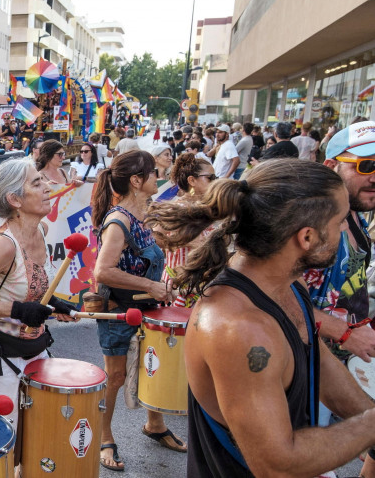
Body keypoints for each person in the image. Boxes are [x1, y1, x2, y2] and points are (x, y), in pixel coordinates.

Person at [146, 159, 375, 477]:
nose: (343, 231)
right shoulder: (237, 328)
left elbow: (318, 364)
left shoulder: (291, 284)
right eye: (339, 223)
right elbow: (276, 465)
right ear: (306, 238)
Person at [0, 158, 76, 424]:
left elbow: (27, 287)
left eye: (43, 179)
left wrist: (53, 302)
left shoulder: (41, 229)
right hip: (1, 363)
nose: (47, 186)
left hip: (36, 351)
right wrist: (18, 310)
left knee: (36, 444)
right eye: (36, 182)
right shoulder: (5, 246)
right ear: (15, 200)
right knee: (4, 448)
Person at [91, 150, 182, 472]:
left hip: (147, 311)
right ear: (136, 180)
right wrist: (152, 286)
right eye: (154, 173)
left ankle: (154, 425)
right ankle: (104, 437)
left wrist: (163, 286)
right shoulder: (118, 222)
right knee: (114, 377)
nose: (159, 177)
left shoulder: (142, 216)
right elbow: (103, 271)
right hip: (119, 312)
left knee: (149, 367)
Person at [306, 122, 375, 368]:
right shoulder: (313, 226)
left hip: (346, 362)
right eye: (366, 166)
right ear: (331, 167)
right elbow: (274, 299)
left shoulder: (355, 213)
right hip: (308, 368)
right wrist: (346, 333)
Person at [157, 153, 216, 307]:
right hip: (179, 286)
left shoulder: (208, 209)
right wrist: (174, 243)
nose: (215, 182)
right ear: (192, 181)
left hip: (201, 284)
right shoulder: (179, 208)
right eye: (210, 178)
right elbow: (156, 236)